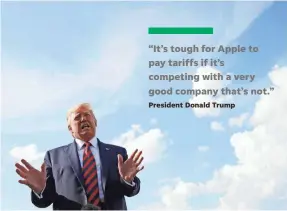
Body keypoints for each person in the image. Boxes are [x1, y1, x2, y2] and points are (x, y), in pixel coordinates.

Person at [15, 103, 144, 210]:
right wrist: (40, 190)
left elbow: (131, 191)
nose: (83, 119)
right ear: (70, 128)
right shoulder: (54, 156)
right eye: (77, 117)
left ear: (95, 122)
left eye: (87, 115)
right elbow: (45, 201)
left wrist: (127, 180)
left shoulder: (117, 153)